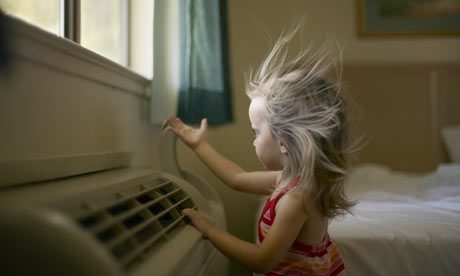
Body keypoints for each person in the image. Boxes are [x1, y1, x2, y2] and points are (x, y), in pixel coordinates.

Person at [165, 26, 354, 275]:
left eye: (256, 132)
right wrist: (200, 145)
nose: (253, 141)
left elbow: (262, 260)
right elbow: (238, 178)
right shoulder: (289, 179)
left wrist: (209, 230)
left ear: (285, 142)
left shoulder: (296, 199)